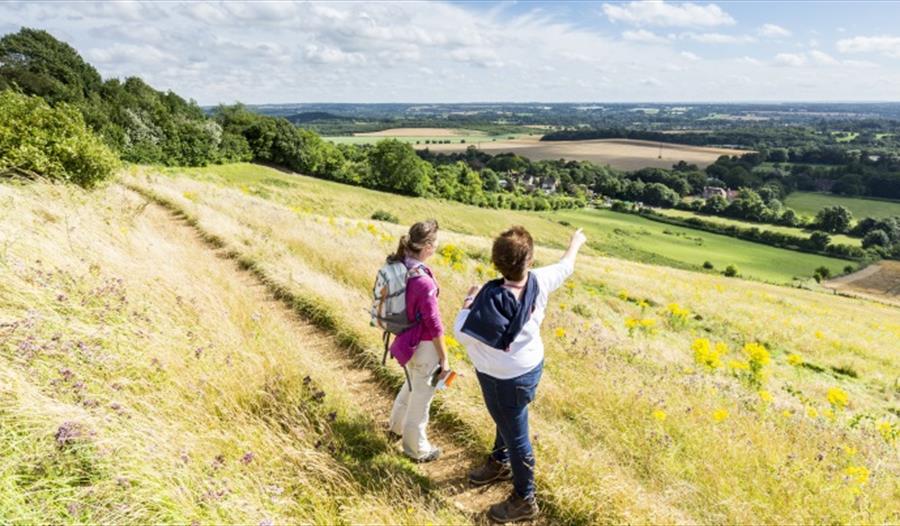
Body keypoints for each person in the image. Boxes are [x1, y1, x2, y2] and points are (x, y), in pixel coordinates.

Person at [453, 226, 586, 523]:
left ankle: (525, 500)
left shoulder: (489, 300)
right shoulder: (539, 280)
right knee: (508, 417)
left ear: (495, 262)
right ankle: (500, 461)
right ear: (529, 260)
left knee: (517, 434)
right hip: (528, 369)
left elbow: (461, 334)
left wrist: (467, 303)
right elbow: (566, 266)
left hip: (501, 378)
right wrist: (575, 242)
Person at [387, 219, 451, 463]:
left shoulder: (399, 265)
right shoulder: (423, 281)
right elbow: (434, 324)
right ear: (426, 246)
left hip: (405, 341)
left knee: (412, 385)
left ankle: (395, 427)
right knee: (422, 399)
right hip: (424, 346)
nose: (435, 249)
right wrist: (444, 358)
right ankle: (416, 449)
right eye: (435, 245)